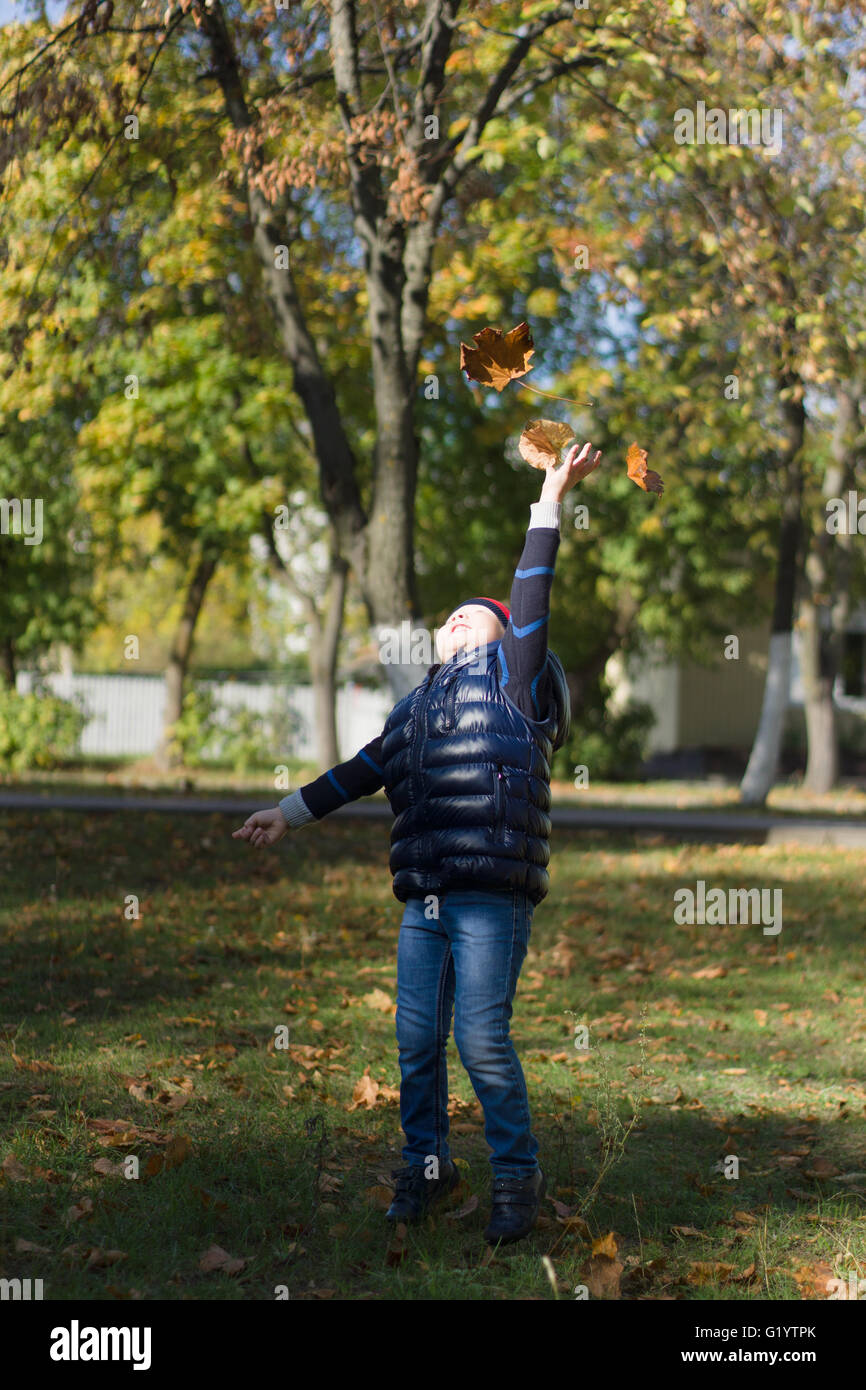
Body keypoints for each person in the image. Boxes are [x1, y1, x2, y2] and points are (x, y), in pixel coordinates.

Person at [234, 440, 603, 1244]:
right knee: (414, 1041)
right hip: (424, 900)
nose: (455, 618)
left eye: (474, 613)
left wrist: (550, 498)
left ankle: (516, 1179)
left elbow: (531, 590)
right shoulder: (415, 709)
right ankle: (428, 1171)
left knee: (481, 1039)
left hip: (490, 896)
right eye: (447, 617)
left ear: (507, 634)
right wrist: (286, 812)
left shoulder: (514, 678)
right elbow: (360, 772)